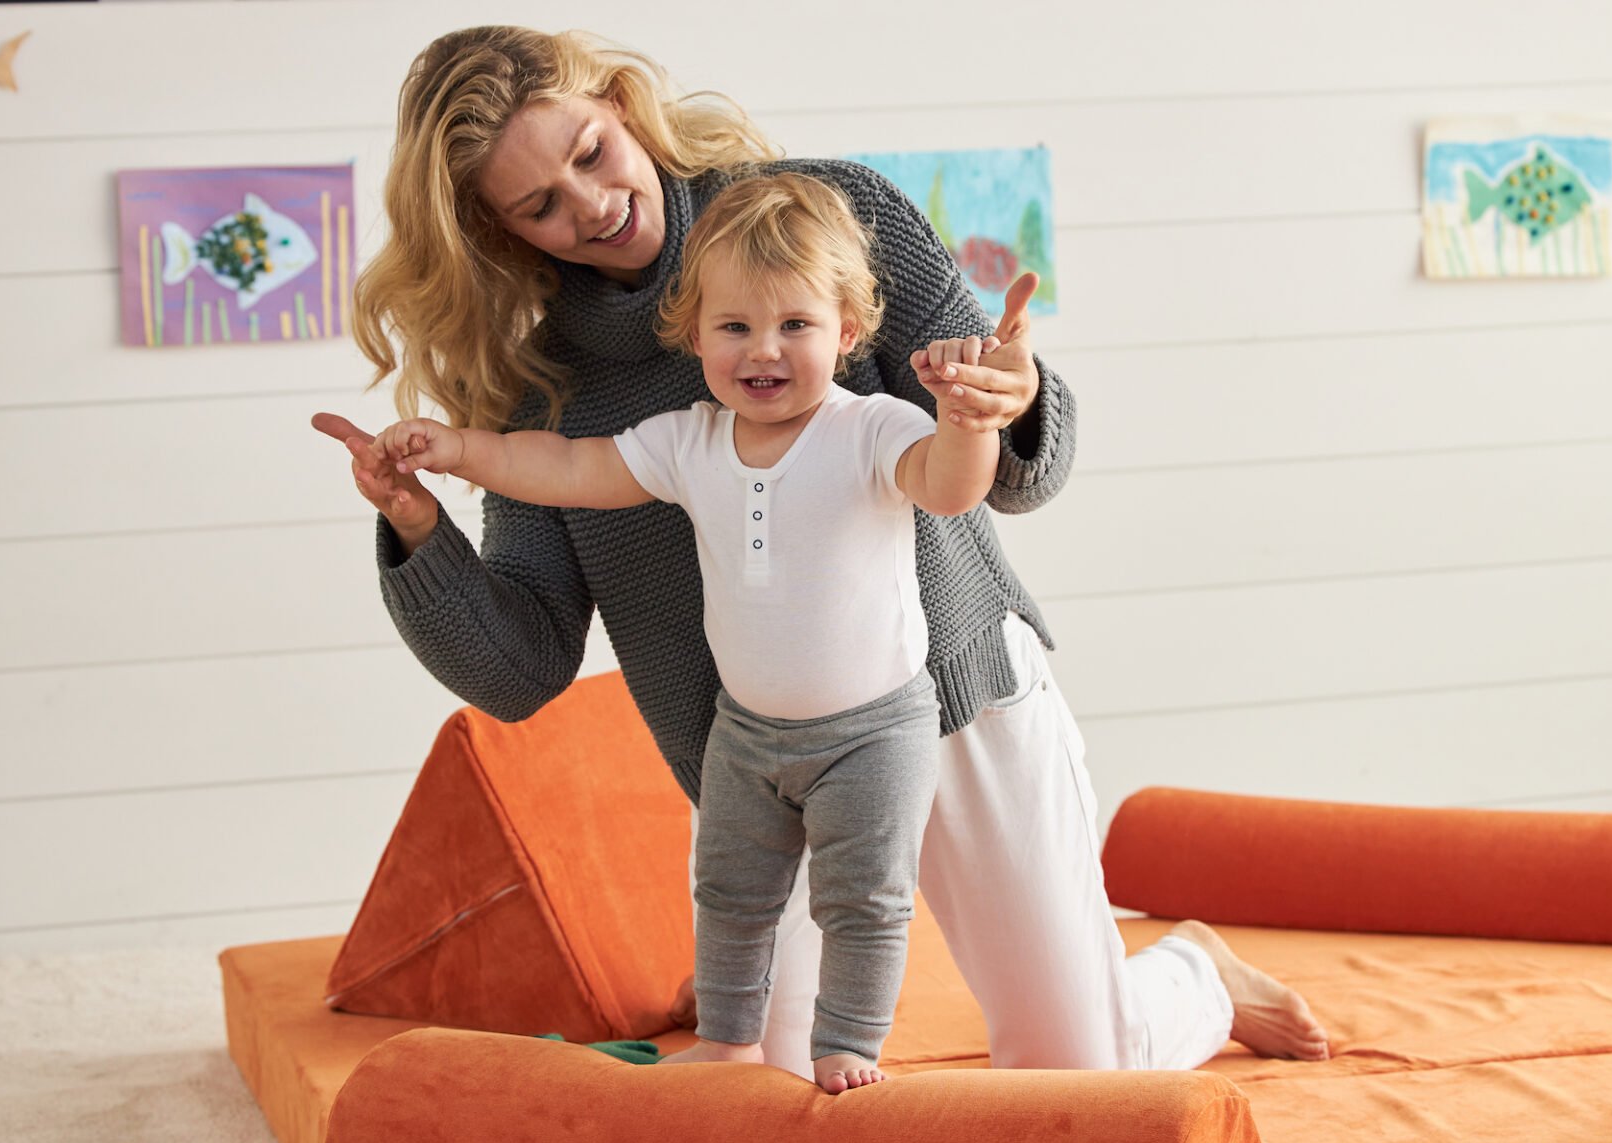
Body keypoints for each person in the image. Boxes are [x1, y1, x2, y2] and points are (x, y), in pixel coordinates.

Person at [313, 24, 1329, 1077]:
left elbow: (1015, 473)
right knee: (777, 1098)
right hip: (760, 769)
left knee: (1079, 1068)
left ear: (621, 105)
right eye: (540, 206)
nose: (593, 205)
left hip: (953, 693)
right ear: (497, 231)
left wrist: (1008, 399)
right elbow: (519, 671)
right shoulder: (543, 389)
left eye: (590, 154)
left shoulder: (831, 213)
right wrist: (418, 532)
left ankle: (1190, 978)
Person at [370, 172, 1000, 1092]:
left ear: (847, 334)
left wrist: (970, 421)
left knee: (861, 902)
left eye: (795, 326)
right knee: (730, 895)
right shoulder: (690, 439)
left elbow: (950, 486)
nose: (764, 351)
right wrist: (460, 450)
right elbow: (568, 464)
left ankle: (849, 1047)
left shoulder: (872, 427)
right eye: (735, 327)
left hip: (873, 732)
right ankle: (732, 1038)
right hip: (743, 734)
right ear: (696, 335)